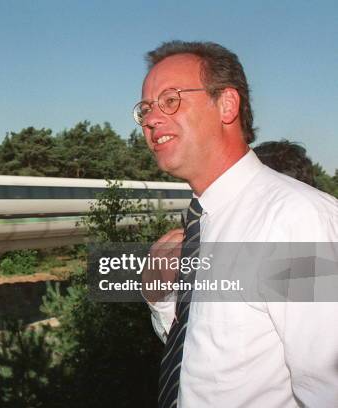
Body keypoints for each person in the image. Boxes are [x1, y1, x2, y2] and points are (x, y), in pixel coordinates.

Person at [135, 41, 338, 407]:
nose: (150, 119)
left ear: (227, 104)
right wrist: (161, 297)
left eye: (170, 100)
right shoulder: (202, 220)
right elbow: (209, 358)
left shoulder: (297, 220)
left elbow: (328, 391)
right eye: (145, 108)